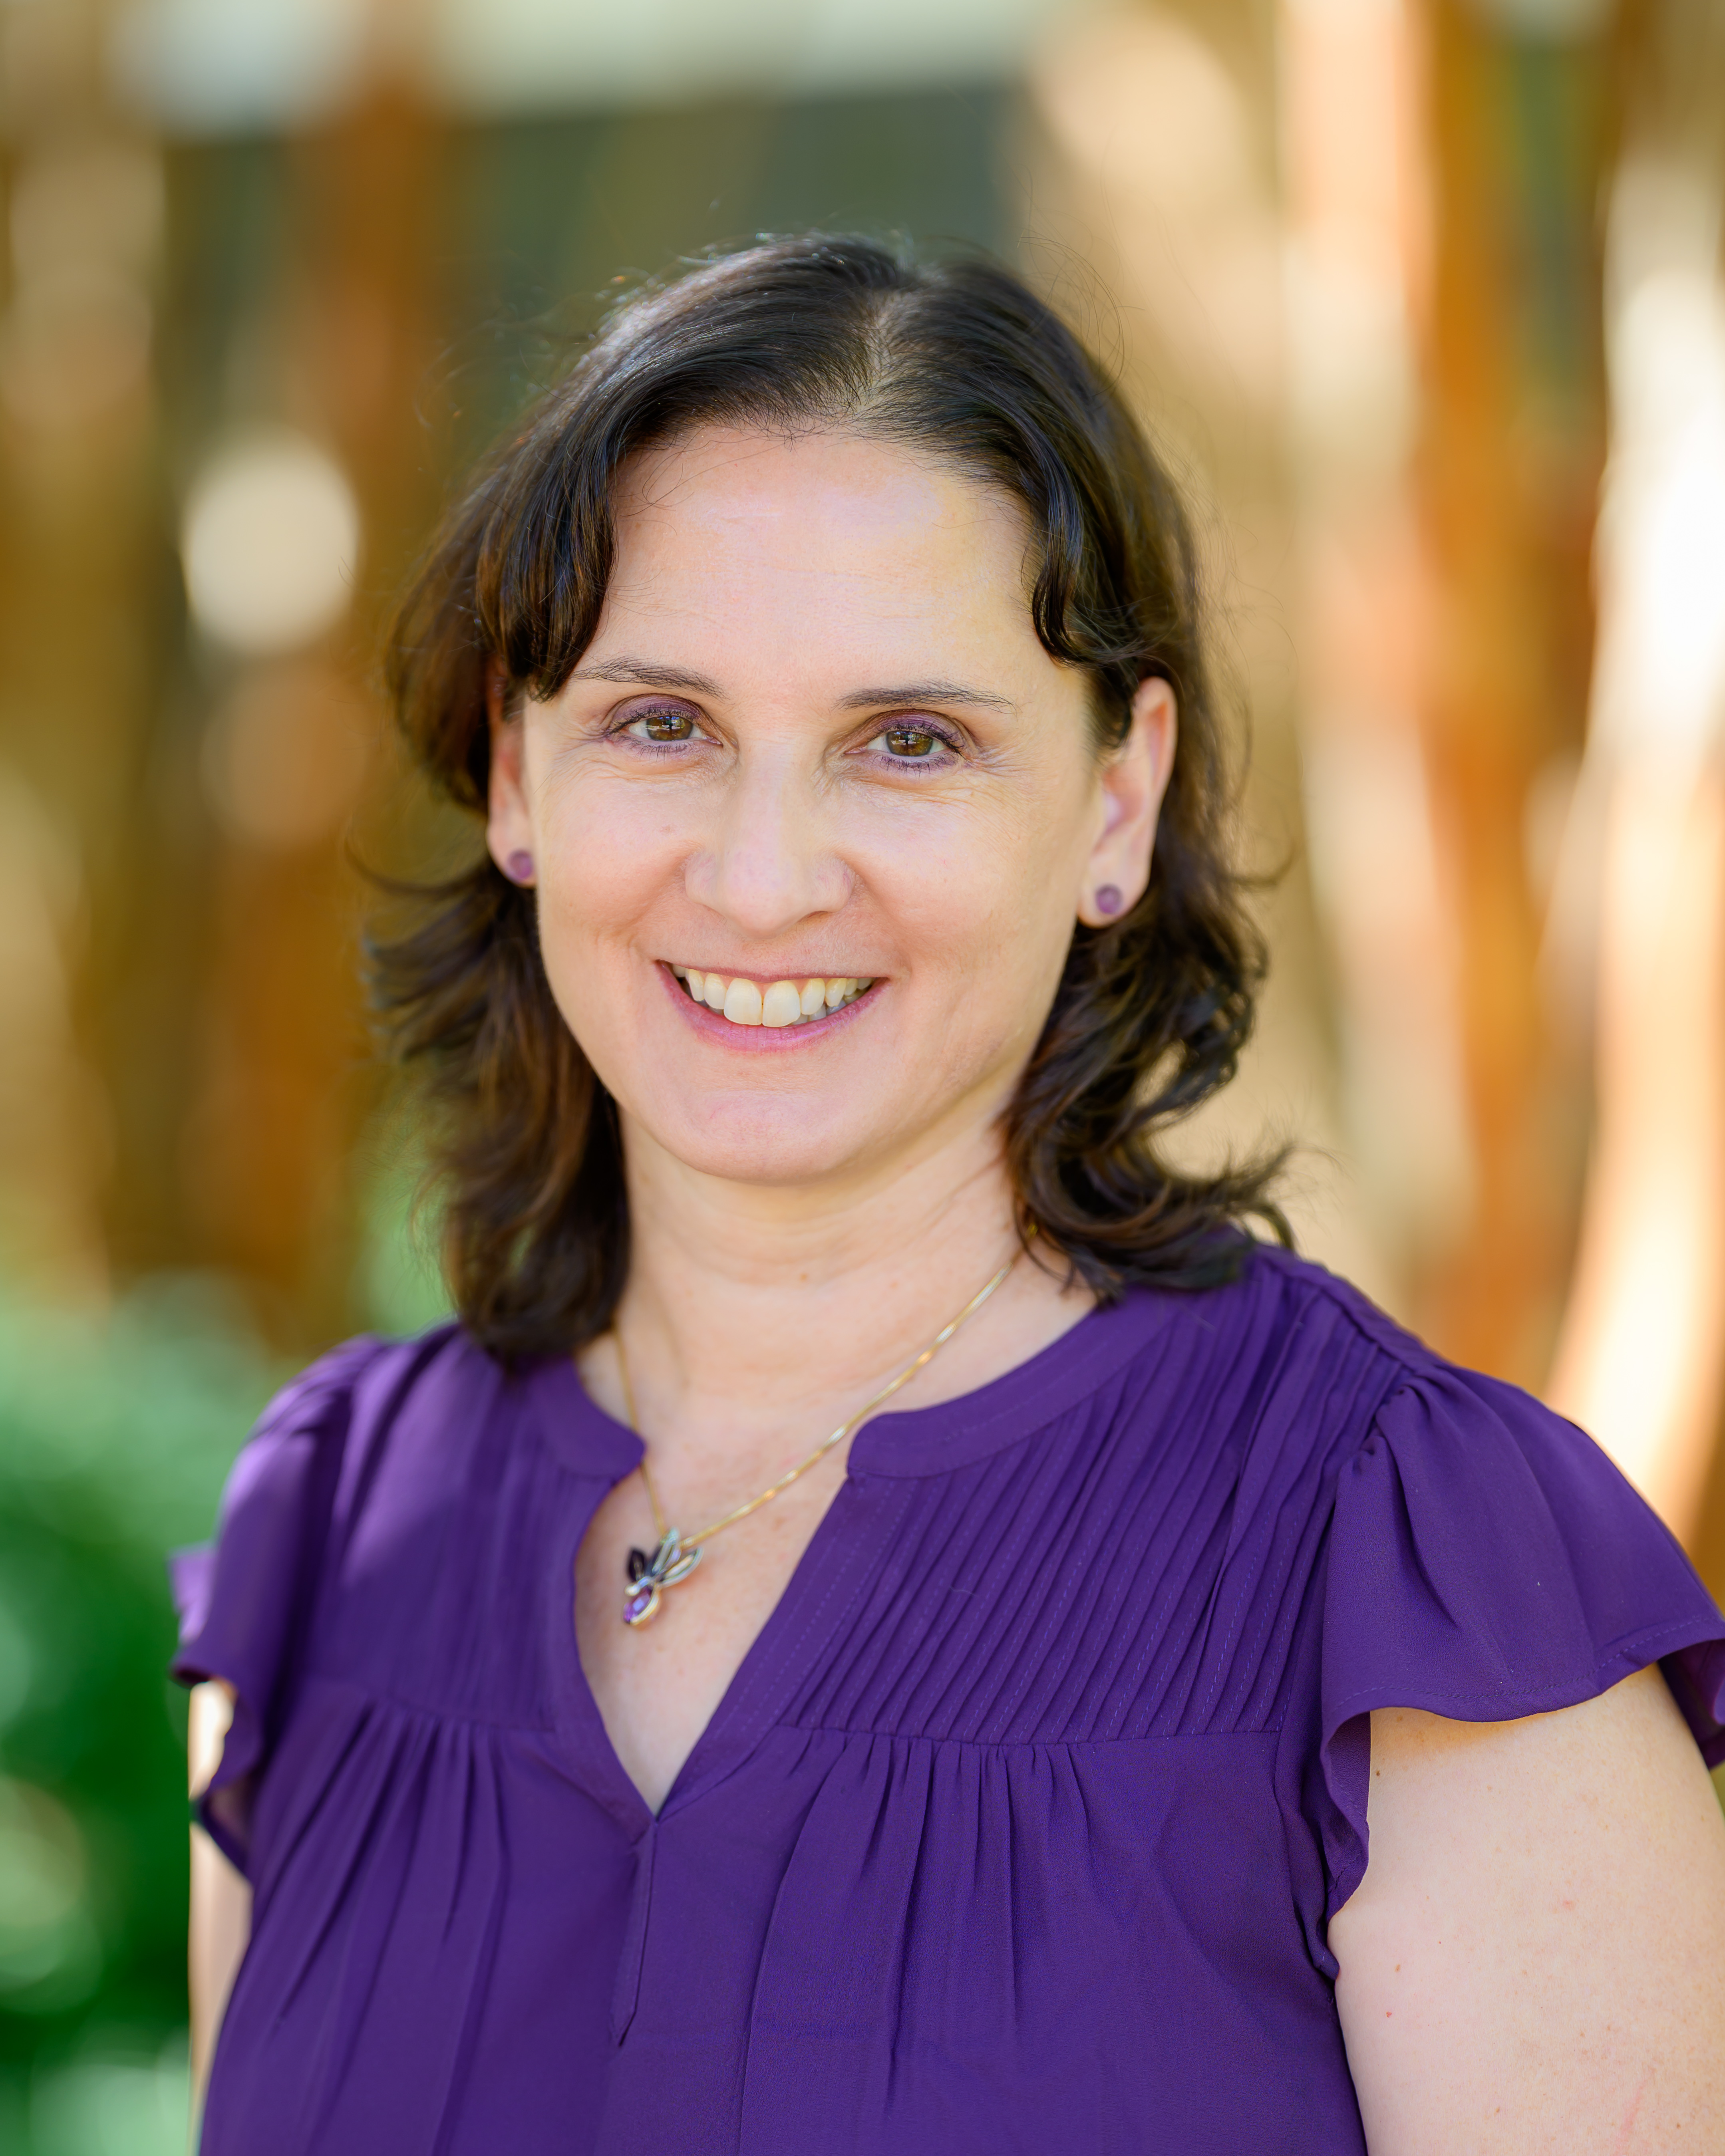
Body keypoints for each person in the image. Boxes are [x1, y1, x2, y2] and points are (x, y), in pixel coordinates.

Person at [172, 236, 1725, 2155]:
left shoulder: (1407, 1572)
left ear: (1111, 800)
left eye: (907, 742)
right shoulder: (330, 1537)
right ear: (515, 767)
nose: (760, 879)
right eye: (662, 722)